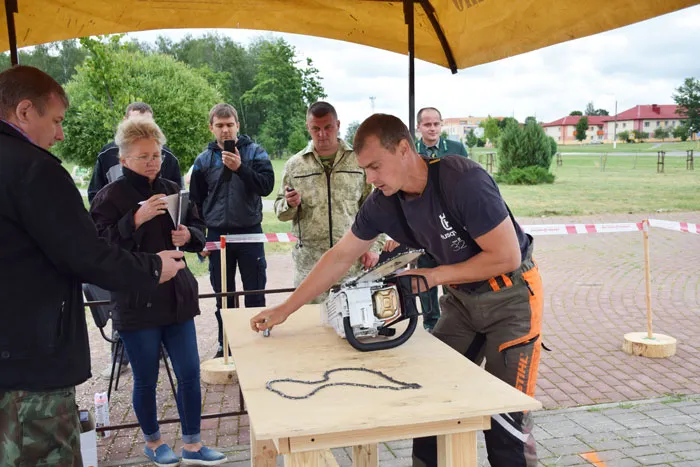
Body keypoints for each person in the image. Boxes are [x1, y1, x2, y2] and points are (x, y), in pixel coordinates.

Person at [251, 114, 543, 467]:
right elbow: (340, 256)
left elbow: (507, 256)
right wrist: (285, 309)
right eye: (365, 170)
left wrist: (434, 276)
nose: (370, 179)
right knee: (433, 405)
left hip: (511, 299)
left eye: (375, 166)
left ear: (404, 149)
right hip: (462, 300)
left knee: (506, 422)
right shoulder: (383, 203)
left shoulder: (461, 180)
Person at [0, 65, 185, 466]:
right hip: (32, 361)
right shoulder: (33, 169)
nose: (60, 134)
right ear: (25, 111)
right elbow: (87, 253)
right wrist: (153, 268)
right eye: (57, 120)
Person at [90, 117, 226, 466]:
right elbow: (99, 249)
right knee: (146, 379)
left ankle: (193, 445)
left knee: (190, 372)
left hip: (177, 298)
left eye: (156, 154)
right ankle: (153, 442)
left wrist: (190, 237)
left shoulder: (172, 188)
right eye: (143, 156)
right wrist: (134, 220)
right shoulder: (110, 196)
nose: (152, 162)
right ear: (123, 160)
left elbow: (197, 227)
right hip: (136, 303)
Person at [275, 101, 382, 303]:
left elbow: (375, 209)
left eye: (328, 127)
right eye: (316, 128)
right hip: (309, 267)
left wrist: (374, 247)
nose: (322, 134)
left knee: (350, 326)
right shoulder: (295, 165)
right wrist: (290, 204)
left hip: (351, 265)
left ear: (338, 124)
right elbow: (281, 212)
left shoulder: (358, 161)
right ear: (308, 127)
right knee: (310, 328)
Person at [190, 103, 274, 358]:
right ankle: (224, 344)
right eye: (219, 125)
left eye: (229, 125)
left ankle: (256, 342)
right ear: (211, 128)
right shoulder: (202, 160)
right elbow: (195, 202)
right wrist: (199, 240)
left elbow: (266, 186)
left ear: (237, 125)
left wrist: (240, 168)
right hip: (217, 236)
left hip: (250, 232)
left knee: (255, 292)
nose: (225, 130)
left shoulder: (256, 152)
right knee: (223, 297)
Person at [412, 107, 470, 330]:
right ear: (419, 127)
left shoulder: (455, 149)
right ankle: (430, 322)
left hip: (451, 223)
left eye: (436, 124)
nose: (432, 128)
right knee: (426, 273)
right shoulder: (410, 151)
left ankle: (453, 320)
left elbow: (467, 181)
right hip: (423, 225)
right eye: (427, 125)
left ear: (441, 125)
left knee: (451, 273)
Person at [87, 102, 183, 203]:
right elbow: (95, 195)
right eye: (134, 125)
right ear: (123, 160)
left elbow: (179, 201)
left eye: (147, 124)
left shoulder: (168, 156)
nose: (141, 129)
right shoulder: (106, 154)